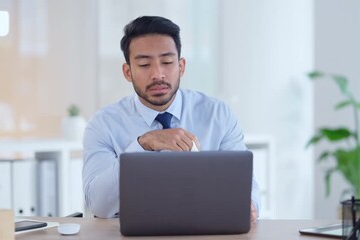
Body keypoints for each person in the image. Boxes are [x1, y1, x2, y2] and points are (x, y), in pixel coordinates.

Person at [83, 16, 260, 219]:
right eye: (144, 65)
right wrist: (142, 145)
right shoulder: (103, 124)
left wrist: (250, 204)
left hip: (204, 229)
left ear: (181, 66)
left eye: (167, 62)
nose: (158, 74)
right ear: (127, 72)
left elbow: (244, 182)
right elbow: (98, 205)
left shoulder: (218, 115)